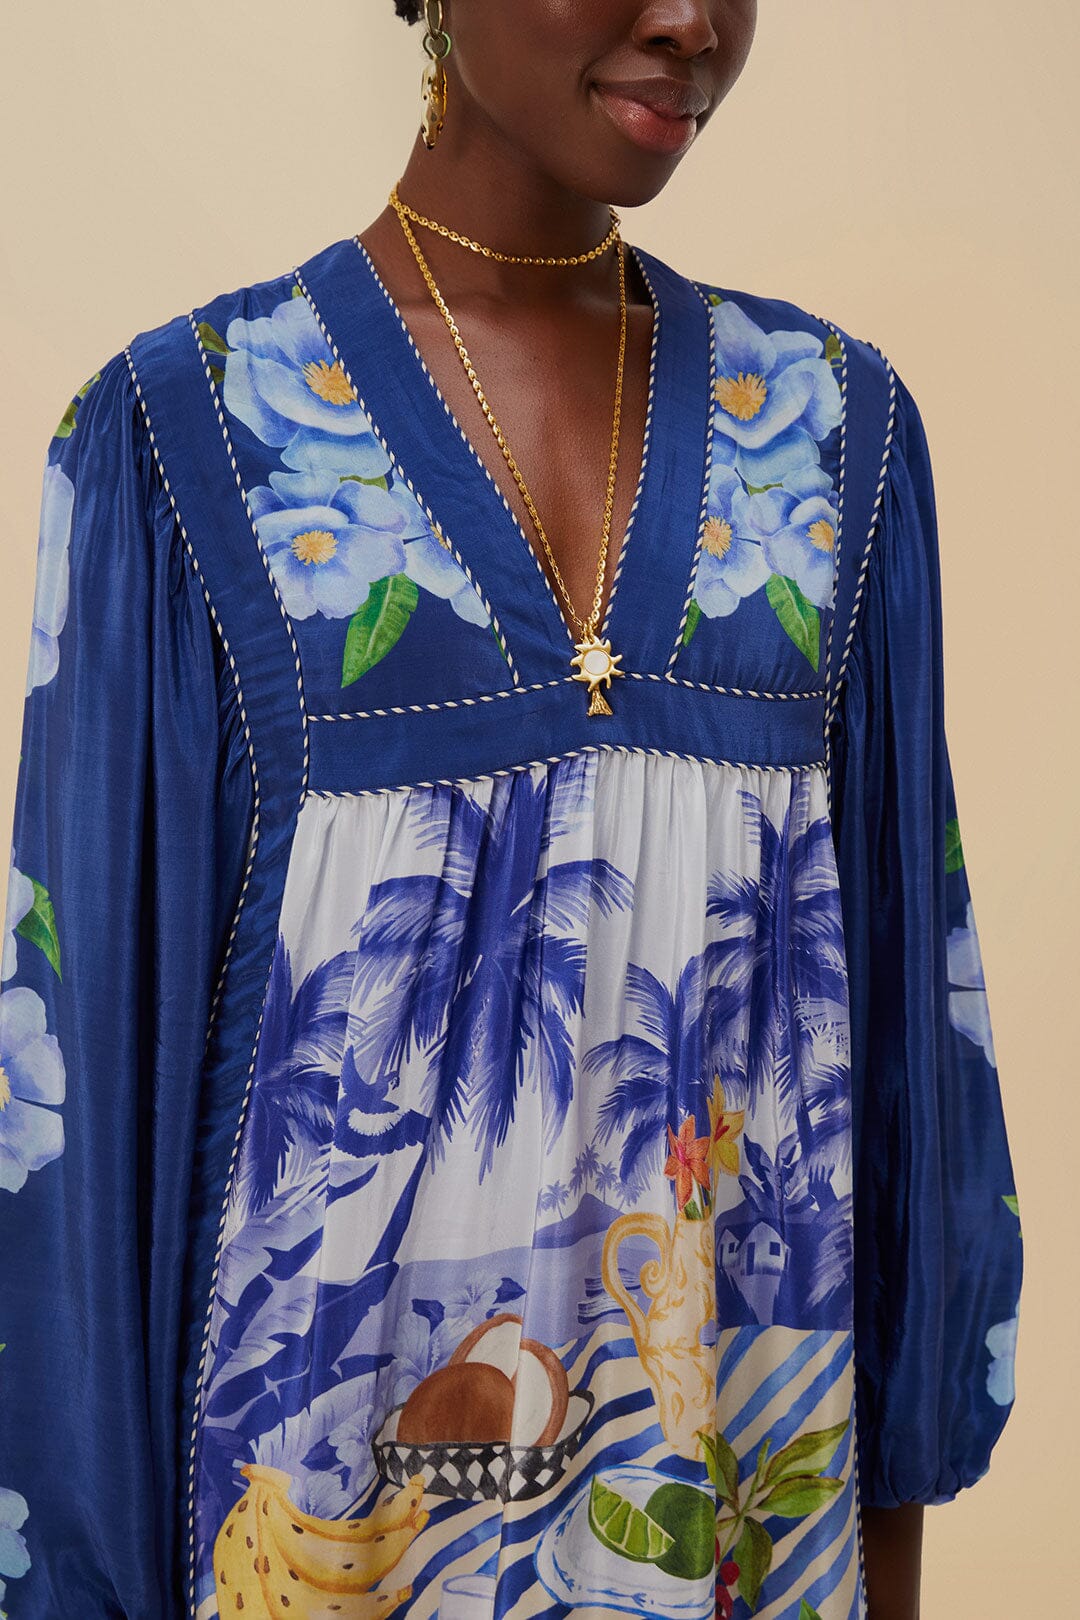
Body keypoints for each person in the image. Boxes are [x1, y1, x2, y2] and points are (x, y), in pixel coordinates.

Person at [0, 2, 1022, 1616]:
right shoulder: (185, 445)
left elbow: (909, 1073)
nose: (690, 20)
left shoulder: (837, 439)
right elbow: (79, 1126)